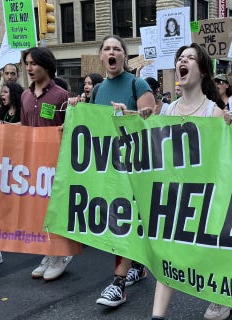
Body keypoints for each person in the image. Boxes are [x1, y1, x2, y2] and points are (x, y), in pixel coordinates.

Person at [151, 43, 225, 320]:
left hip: (205, 197)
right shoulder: (166, 111)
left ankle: (220, 298)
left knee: (212, 251)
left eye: (190, 58)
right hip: (172, 195)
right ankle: (157, 315)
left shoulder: (215, 113)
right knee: (169, 253)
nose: (183, 61)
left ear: (203, 70)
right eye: (180, 58)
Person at [90, 34, 156, 308]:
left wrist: (125, 112)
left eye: (117, 48)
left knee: (124, 220)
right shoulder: (96, 90)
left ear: (124, 57)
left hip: (134, 166)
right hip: (108, 167)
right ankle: (137, 267)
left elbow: (151, 118)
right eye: (107, 49)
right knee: (119, 220)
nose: (112, 52)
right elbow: (92, 127)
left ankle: (118, 283)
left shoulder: (136, 83)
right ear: (102, 57)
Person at [17, 47, 74, 280]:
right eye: (27, 64)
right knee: (39, 211)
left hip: (57, 163)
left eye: (33, 63)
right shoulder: (25, 96)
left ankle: (60, 254)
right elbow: (23, 129)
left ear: (47, 65)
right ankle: (48, 253)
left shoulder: (61, 95)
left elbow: (70, 129)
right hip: (33, 163)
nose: (29, 68)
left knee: (56, 210)